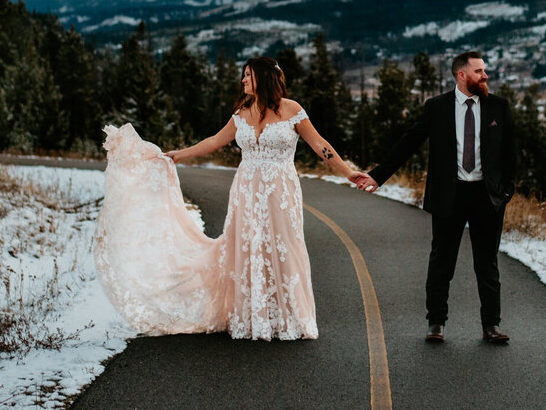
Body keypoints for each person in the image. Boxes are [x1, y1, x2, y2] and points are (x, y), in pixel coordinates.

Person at [95, 56, 367, 340]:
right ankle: (252, 315)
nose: (243, 80)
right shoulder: (242, 113)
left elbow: (319, 144)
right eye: (244, 75)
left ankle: (286, 317)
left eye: (248, 75)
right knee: (247, 247)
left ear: (263, 77)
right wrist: (179, 154)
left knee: (283, 246)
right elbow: (214, 141)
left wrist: (348, 172)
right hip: (246, 190)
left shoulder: (292, 110)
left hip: (280, 191)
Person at [354, 51, 517, 344]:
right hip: (449, 195)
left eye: (485, 71)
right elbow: (409, 142)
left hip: (487, 197)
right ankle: (436, 323)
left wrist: (505, 192)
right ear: (461, 75)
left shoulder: (498, 107)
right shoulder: (437, 107)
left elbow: (511, 152)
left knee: (487, 264)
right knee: (442, 261)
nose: (486, 76)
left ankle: (491, 325)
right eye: (479, 71)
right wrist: (378, 175)